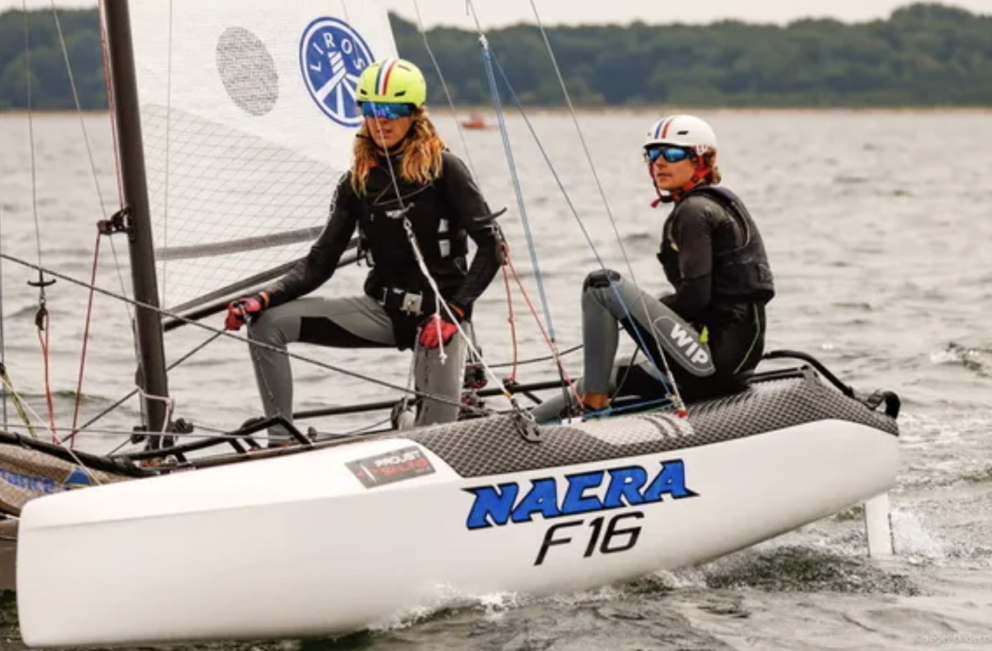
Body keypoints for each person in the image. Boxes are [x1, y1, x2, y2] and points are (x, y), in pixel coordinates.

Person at [224, 57, 504, 446]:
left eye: (391, 110)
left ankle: (418, 417)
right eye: (370, 110)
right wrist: (262, 297)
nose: (380, 121)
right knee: (268, 323)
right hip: (382, 313)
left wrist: (454, 311)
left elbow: (492, 248)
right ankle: (281, 445)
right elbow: (319, 263)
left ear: (414, 114)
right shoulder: (356, 182)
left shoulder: (445, 170)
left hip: (439, 325)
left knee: (435, 441)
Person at [534, 113, 774, 421]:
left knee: (602, 286)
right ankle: (531, 423)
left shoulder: (693, 210)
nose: (659, 162)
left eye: (672, 154)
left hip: (713, 365)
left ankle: (591, 409)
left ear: (702, 160)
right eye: (653, 154)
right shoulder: (714, 204)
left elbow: (695, 299)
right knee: (614, 373)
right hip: (732, 362)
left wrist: (641, 311)